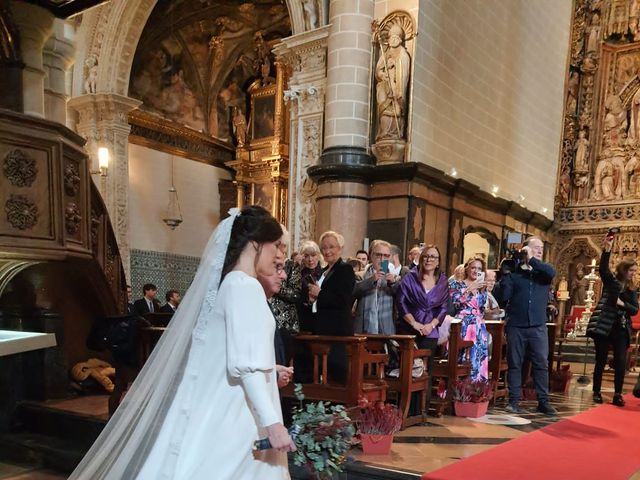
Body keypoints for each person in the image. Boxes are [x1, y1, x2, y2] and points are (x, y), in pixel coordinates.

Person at [69, 206, 294, 479]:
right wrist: (271, 424)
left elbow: (229, 353)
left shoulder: (230, 284)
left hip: (225, 404)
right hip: (238, 414)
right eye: (274, 247)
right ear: (256, 244)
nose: (277, 256)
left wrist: (271, 368)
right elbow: (246, 367)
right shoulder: (245, 287)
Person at [494, 237, 558, 416]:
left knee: (541, 364)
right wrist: (505, 274)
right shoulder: (515, 273)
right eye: (535, 248)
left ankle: (543, 402)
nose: (539, 250)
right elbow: (504, 297)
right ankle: (514, 400)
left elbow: (551, 272)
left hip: (538, 326)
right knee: (515, 364)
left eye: (541, 248)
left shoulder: (544, 272)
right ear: (526, 249)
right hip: (516, 325)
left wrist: (532, 260)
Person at [587, 235, 638, 407]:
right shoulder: (612, 281)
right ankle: (596, 391)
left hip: (621, 328)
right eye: (631, 271)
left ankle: (617, 394)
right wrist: (607, 249)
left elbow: (634, 309)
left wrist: (622, 303)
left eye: (634, 271)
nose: (633, 274)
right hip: (604, 325)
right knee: (600, 359)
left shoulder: (631, 289)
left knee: (620, 362)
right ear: (624, 270)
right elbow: (603, 269)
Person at [307, 231, 356, 382]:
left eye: (331, 247)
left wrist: (319, 294)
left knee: (336, 375)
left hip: (338, 331)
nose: (327, 251)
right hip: (323, 328)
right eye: (324, 248)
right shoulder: (323, 271)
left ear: (340, 248)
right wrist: (312, 300)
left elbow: (343, 300)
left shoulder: (345, 269)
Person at [396, 245, 449, 350]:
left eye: (433, 257)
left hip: (430, 331)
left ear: (438, 262)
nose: (429, 260)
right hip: (409, 330)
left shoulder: (443, 281)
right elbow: (401, 302)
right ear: (421, 259)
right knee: (408, 365)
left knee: (427, 365)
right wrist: (414, 323)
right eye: (426, 256)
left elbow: (443, 308)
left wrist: (431, 325)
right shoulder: (410, 277)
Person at [257, 249, 294, 390]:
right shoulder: (251, 303)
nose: (284, 276)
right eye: (277, 267)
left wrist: (275, 370)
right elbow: (246, 363)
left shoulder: (264, 302)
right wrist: (273, 376)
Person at [449, 256, 490, 382]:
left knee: (478, 357)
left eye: (479, 269)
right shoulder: (456, 284)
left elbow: (482, 307)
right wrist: (469, 290)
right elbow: (454, 303)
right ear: (467, 268)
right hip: (463, 323)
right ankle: (458, 388)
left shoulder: (482, 287)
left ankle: (477, 390)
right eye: (473, 267)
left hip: (478, 325)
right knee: (461, 357)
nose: (475, 271)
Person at [354, 240, 401, 335]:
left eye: (386, 256)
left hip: (386, 328)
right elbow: (354, 291)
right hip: (364, 327)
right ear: (371, 256)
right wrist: (371, 280)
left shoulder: (395, 277)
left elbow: (401, 298)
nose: (382, 259)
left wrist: (393, 284)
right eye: (378, 255)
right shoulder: (360, 275)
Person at [270, 226, 302, 365]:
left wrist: (277, 287)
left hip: (286, 323)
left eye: (283, 246)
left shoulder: (291, 266)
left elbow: (295, 294)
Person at [298, 240, 323, 333]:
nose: (310, 259)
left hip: (321, 318)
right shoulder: (297, 275)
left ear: (319, 256)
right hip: (303, 319)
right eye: (306, 256)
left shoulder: (325, 273)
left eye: (313, 255)